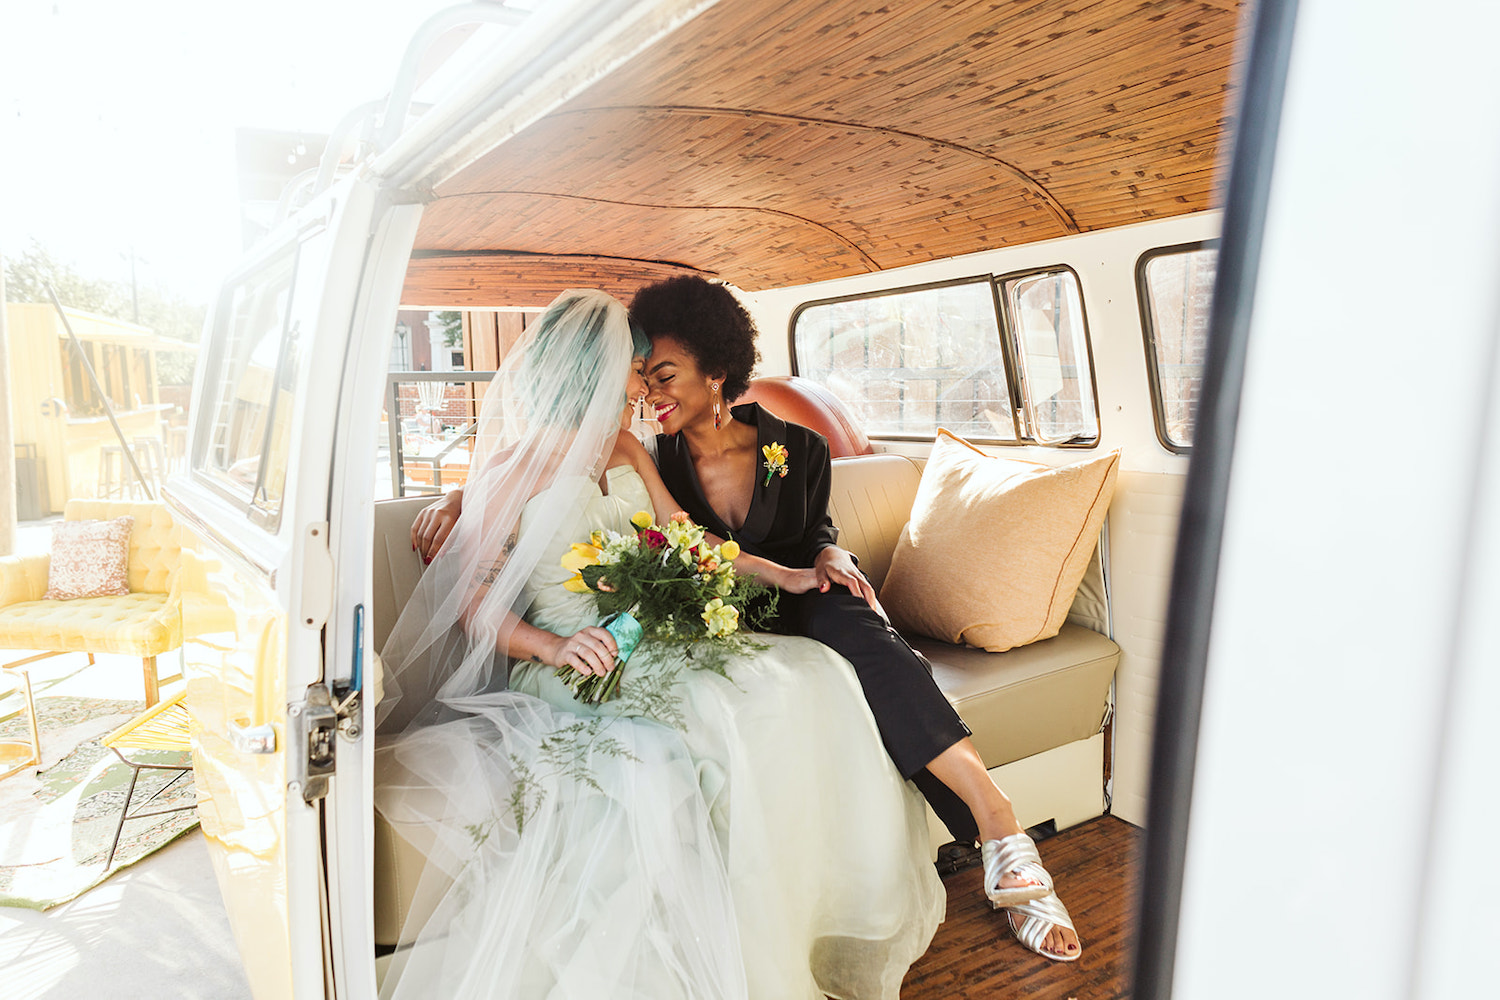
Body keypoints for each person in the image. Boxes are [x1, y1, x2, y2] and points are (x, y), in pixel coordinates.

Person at [380, 290, 943, 1000]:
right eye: (631, 378)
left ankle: (808, 922)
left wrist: (784, 573)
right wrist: (553, 647)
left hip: (653, 638)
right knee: (728, 713)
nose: (642, 391)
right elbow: (476, 608)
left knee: (814, 677)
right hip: (571, 660)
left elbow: (686, 535)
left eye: (645, 376)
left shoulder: (623, 447)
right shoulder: (504, 477)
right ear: (588, 376)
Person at [632, 275, 1082, 963]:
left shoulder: (800, 448)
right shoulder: (649, 459)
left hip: (801, 594)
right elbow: (546, 475)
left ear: (717, 373)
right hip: (712, 617)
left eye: (664, 375)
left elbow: (817, 531)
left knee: (864, 629)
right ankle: (999, 840)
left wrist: (834, 553)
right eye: (643, 376)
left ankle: (1000, 830)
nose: (649, 392)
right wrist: (457, 508)